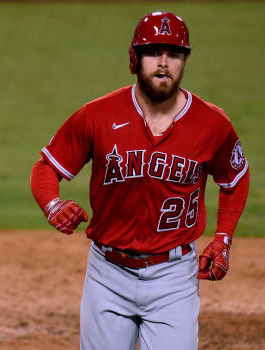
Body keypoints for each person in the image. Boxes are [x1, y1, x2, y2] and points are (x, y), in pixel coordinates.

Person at [30, 11, 249, 350]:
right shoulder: (97, 115)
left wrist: (223, 239)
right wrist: (52, 204)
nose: (164, 63)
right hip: (108, 274)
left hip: (174, 276)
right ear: (134, 59)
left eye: (174, 54)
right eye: (154, 52)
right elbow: (47, 167)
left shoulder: (212, 124)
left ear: (184, 60)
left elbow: (235, 178)